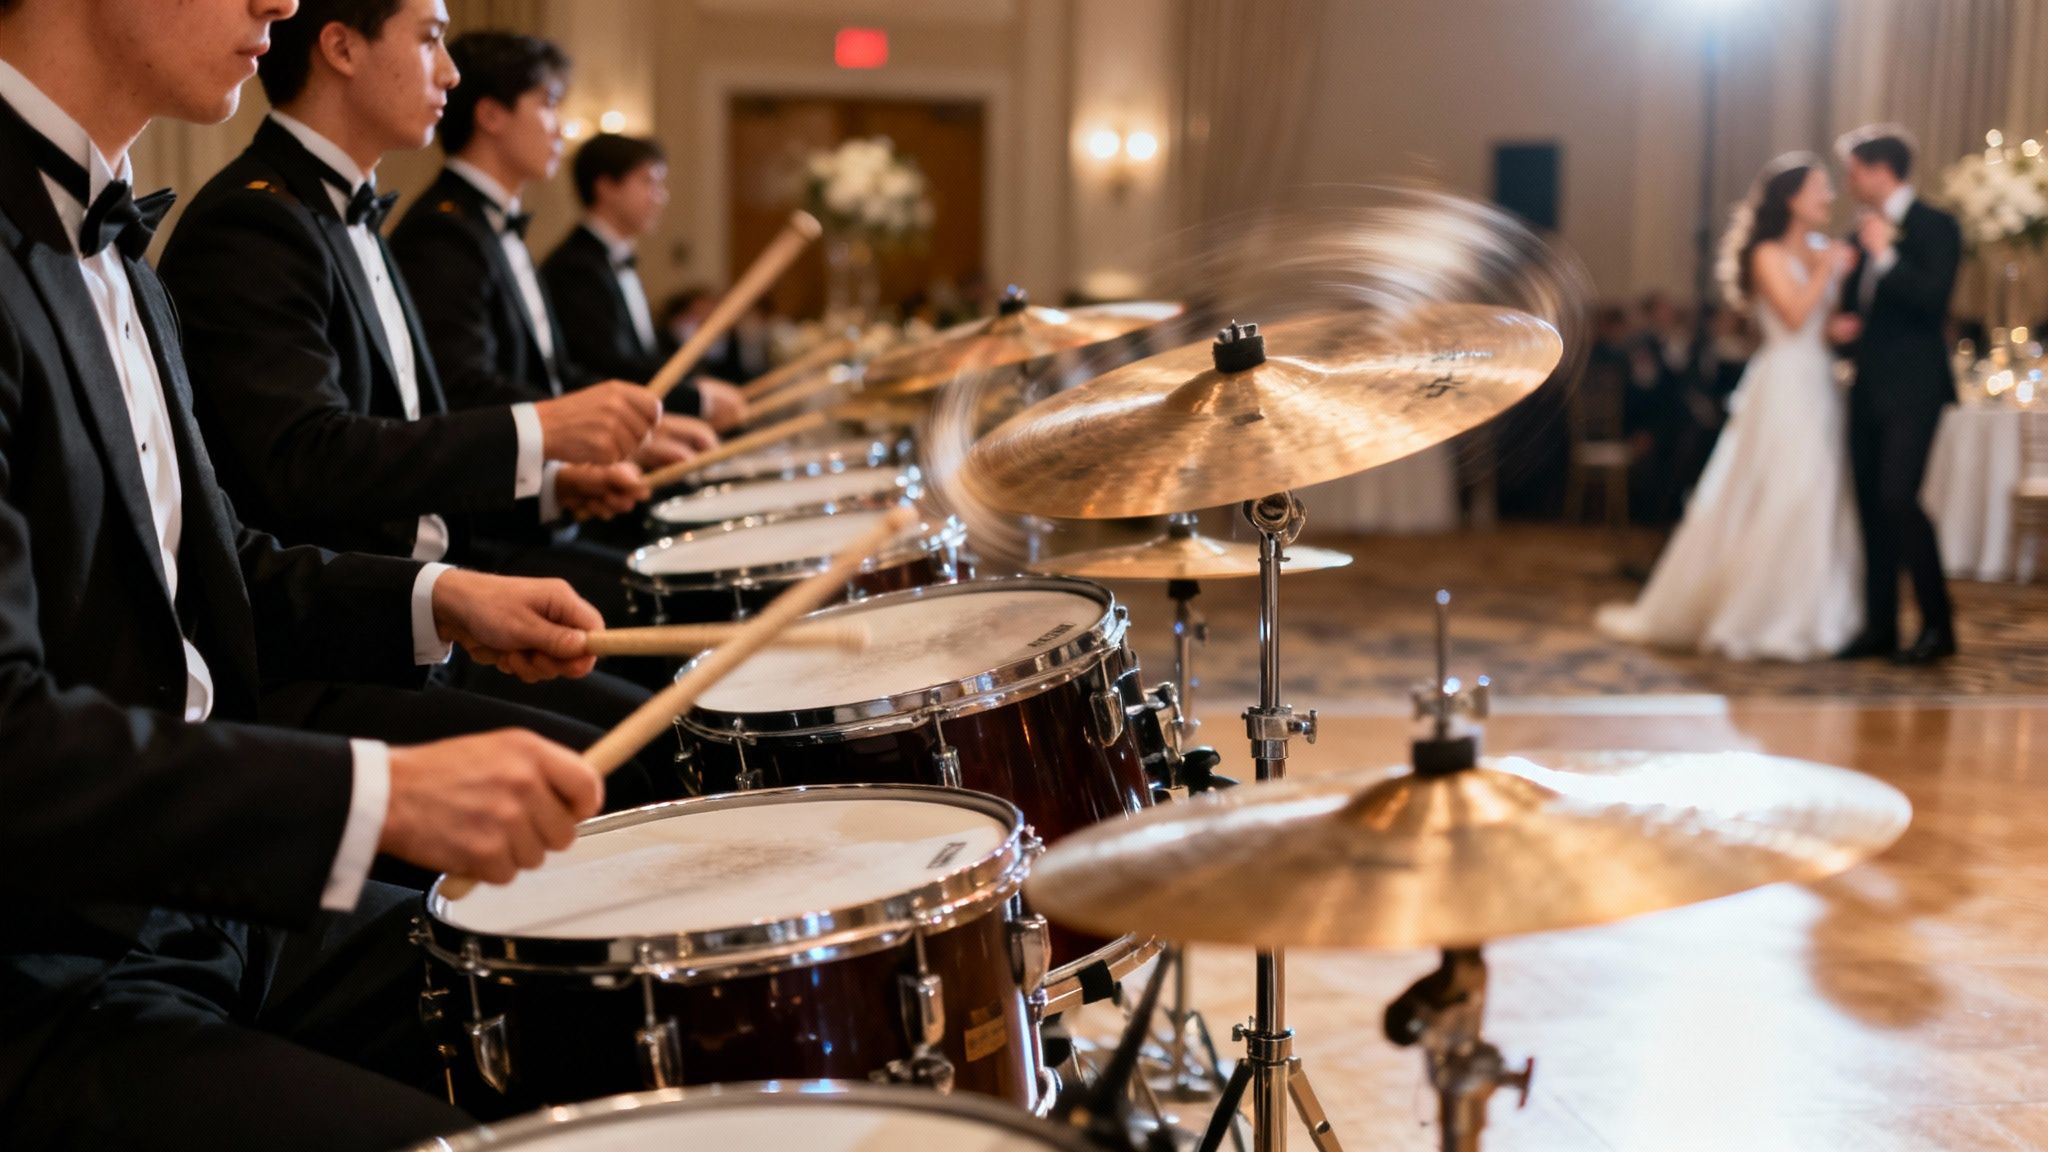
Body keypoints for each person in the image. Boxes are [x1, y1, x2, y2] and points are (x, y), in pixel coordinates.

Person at [0, 0, 624, 1146]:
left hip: (216, 902)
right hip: (47, 967)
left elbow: (219, 569)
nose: (278, 1)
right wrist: (379, 790)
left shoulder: (125, 266)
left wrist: (441, 600)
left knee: (616, 1003)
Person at [158, 0, 679, 766]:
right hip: (331, 659)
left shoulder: (345, 214)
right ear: (340, 48)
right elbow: (306, 458)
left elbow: (403, 432)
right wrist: (540, 432)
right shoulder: (254, 223)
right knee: (635, 772)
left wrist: (550, 486)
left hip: (426, 619)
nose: (451, 72)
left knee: (662, 737)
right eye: (431, 39)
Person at [1596, 153, 1864, 660]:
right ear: (1790, 198)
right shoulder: (1766, 253)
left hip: (1819, 381)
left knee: (1820, 492)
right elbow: (1789, 315)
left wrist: (1839, 325)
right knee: (1784, 490)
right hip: (1783, 382)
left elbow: (1819, 323)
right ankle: (1758, 611)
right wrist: (1827, 268)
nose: (1828, 197)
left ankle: (1814, 610)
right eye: (1818, 189)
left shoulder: (1819, 249)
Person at [1827, 126, 1961, 665]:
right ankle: (1880, 626)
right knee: (1870, 507)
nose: (1850, 182)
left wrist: (1885, 257)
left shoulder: (1936, 225)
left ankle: (1937, 625)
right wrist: (1844, 324)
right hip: (1867, 385)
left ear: (1882, 170)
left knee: (1898, 497)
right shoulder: (1862, 231)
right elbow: (1865, 309)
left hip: (1916, 386)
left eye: (1854, 171)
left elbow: (1932, 301)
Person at [541, 132, 746, 429]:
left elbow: (640, 354)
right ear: (607, 187)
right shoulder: (576, 268)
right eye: (649, 182)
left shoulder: (611, 259)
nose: (661, 196)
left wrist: (693, 381)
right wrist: (697, 399)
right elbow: (609, 369)